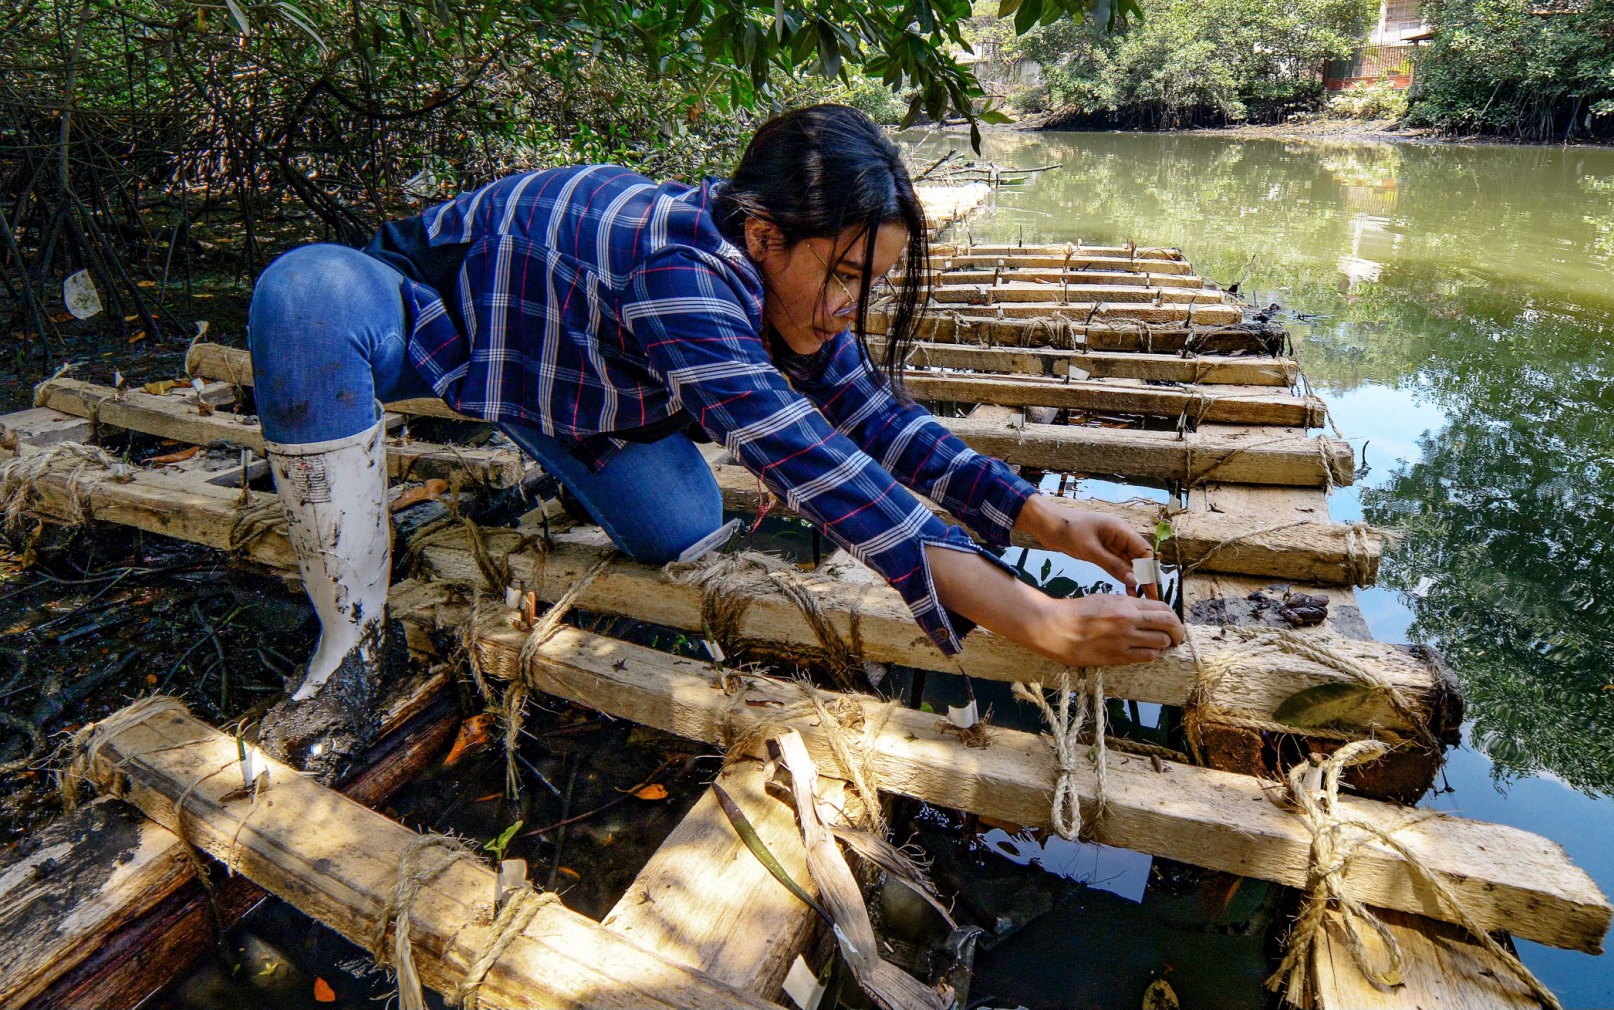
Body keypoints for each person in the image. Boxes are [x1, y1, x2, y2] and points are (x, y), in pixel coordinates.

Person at [247, 104, 1185, 774]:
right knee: (303, 297)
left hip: (567, 387)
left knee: (677, 527)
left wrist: (1042, 520)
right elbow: (817, 466)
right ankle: (350, 643)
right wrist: (1038, 620)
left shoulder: (786, 275)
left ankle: (550, 442)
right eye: (846, 275)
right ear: (766, 235)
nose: (852, 305)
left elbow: (877, 419)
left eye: (874, 282)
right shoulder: (679, 272)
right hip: (442, 324)